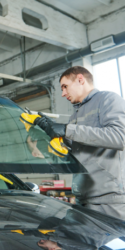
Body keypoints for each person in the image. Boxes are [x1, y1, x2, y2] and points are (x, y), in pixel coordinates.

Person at [34, 66, 125, 219]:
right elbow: (73, 154)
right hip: (83, 198)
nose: (63, 93)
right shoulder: (74, 116)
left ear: (80, 79)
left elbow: (120, 137)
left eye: (65, 87)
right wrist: (48, 134)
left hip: (109, 201)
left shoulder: (108, 99)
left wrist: (67, 129)